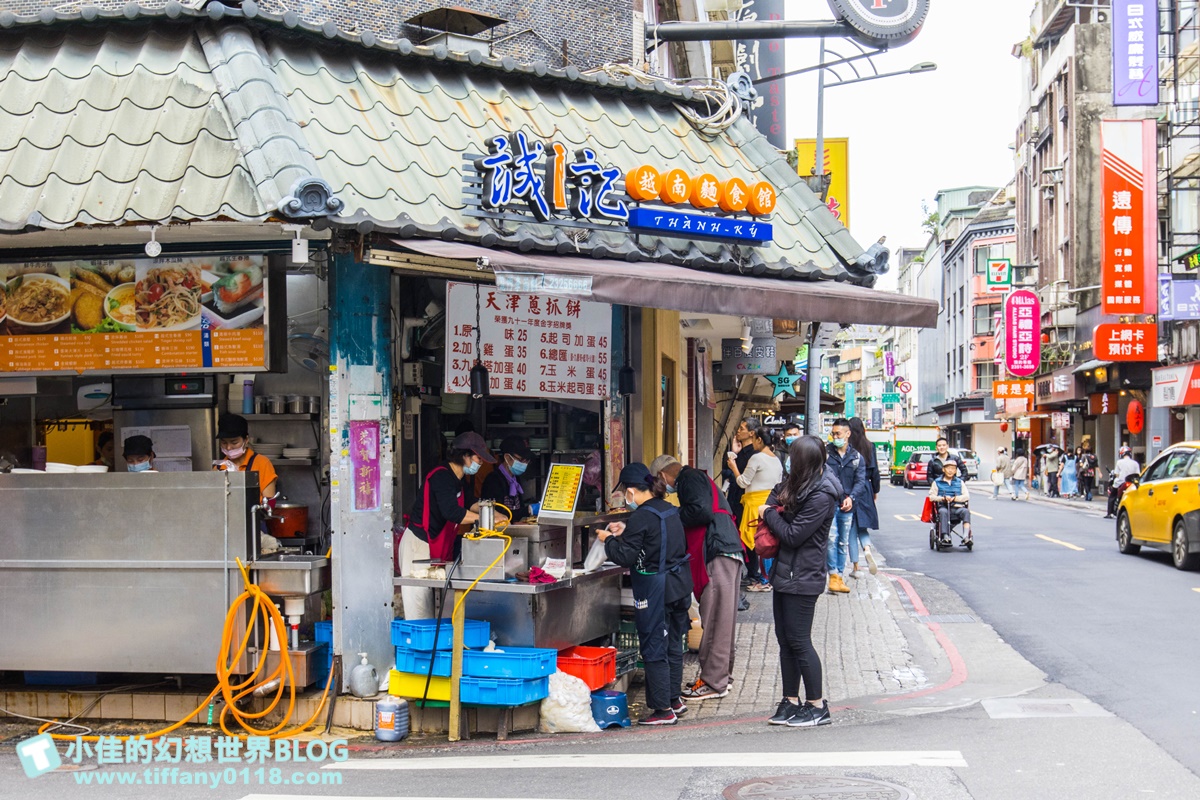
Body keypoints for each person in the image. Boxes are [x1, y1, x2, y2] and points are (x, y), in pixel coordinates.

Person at [599, 463, 693, 725]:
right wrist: (624, 533)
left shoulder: (642, 516)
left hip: (656, 590)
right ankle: (674, 699)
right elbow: (653, 539)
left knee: (654, 647)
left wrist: (607, 539)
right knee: (674, 644)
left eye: (625, 494)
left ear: (630, 491)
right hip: (679, 586)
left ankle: (663, 710)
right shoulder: (668, 509)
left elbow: (625, 556)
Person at [759, 435, 840, 728]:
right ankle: (791, 701)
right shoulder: (797, 483)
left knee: (799, 640)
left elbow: (793, 535)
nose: (788, 461)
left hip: (804, 575)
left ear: (805, 462)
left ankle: (817, 706)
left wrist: (769, 514)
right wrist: (772, 507)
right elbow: (773, 495)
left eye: (793, 456)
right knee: (785, 641)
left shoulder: (821, 495)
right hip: (785, 572)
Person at [650, 454, 743, 702]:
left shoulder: (688, 478)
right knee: (723, 619)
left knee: (715, 620)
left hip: (717, 551)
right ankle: (722, 676)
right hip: (726, 549)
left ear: (662, 475)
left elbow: (699, 512)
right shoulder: (697, 478)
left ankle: (713, 682)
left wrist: (669, 516)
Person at [397, 431, 494, 620]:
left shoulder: (458, 480)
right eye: (478, 458)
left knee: (434, 608)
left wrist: (492, 512)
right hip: (417, 546)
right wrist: (482, 520)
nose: (480, 463)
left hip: (435, 547)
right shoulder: (441, 477)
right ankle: (419, 648)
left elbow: (470, 502)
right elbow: (452, 512)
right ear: (464, 455)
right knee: (418, 608)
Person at [729, 425, 783, 592]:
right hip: (771, 502)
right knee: (767, 539)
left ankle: (764, 579)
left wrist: (733, 466)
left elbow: (743, 482)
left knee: (759, 542)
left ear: (759, 440)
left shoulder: (757, 458)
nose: (752, 443)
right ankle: (766, 577)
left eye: (753, 439)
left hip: (755, 504)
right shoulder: (776, 458)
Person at [824, 419, 866, 595]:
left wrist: (852, 497)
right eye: (833, 434)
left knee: (843, 542)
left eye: (838, 434)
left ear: (848, 434)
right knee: (831, 538)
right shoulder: (825, 454)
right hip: (829, 503)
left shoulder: (856, 457)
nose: (835, 437)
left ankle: (839, 576)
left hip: (848, 506)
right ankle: (833, 574)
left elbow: (860, 481)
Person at [724, 418, 761, 595]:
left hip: (745, 500)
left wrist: (733, 463)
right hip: (736, 498)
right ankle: (749, 572)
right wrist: (734, 454)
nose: (738, 431)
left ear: (752, 433)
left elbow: (742, 480)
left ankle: (753, 573)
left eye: (742, 428)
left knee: (746, 535)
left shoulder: (753, 455)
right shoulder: (742, 453)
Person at [214, 414, 278, 499]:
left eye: (234, 442)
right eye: (224, 443)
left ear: (246, 440)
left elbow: (269, 501)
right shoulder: (218, 468)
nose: (228, 447)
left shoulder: (262, 463)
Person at [846, 418, 880, 578]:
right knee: (862, 526)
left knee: (851, 529)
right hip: (866, 487)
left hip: (850, 488)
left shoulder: (848, 448)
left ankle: (856, 567)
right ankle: (866, 548)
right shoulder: (870, 446)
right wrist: (875, 491)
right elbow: (875, 472)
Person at [480, 436, 535, 520]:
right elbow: (498, 514)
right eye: (521, 460)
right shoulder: (493, 480)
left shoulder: (515, 479)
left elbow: (519, 509)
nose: (524, 464)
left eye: (527, 461)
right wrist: (528, 510)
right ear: (507, 457)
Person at [929, 460, 971, 546]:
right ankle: (945, 536)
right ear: (943, 469)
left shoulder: (960, 482)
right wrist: (942, 498)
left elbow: (966, 496)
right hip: (943, 507)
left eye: (953, 468)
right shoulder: (937, 482)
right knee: (943, 512)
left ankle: (966, 537)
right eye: (948, 468)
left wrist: (955, 498)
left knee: (966, 511)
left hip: (957, 507)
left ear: (955, 471)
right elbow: (931, 497)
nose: (950, 470)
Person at [1107, 446, 1142, 519]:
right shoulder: (1135, 463)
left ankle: (1109, 513)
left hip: (1120, 483)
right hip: (1131, 483)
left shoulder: (1119, 462)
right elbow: (1138, 474)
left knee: (1112, 496)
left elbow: (1117, 474)